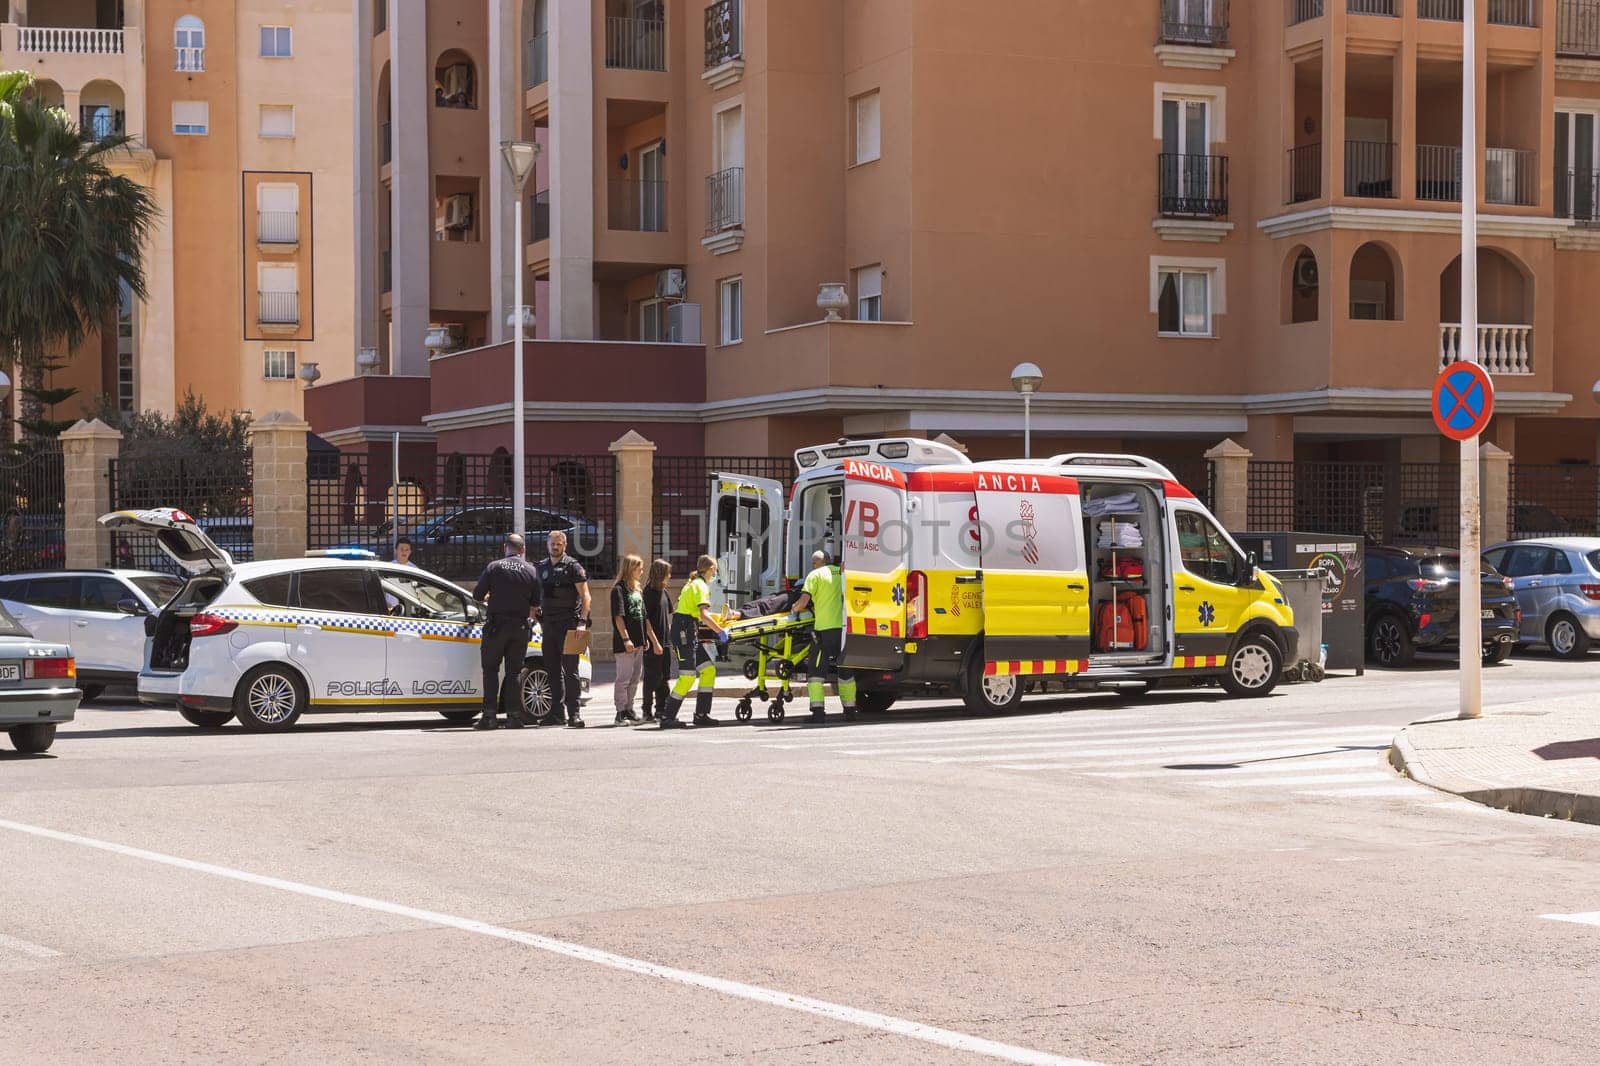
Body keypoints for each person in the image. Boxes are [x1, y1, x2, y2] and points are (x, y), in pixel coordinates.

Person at [470, 533, 542, 731]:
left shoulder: (494, 567)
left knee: (491, 670)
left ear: (505, 548)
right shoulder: (531, 570)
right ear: (523, 550)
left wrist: (491, 597)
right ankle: (514, 716)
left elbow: (477, 595)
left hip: (496, 627)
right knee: (514, 672)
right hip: (519, 628)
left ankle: (489, 716)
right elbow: (536, 603)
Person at [659, 554, 728, 729]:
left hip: (687, 631)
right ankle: (667, 717)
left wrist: (721, 618)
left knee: (708, 670)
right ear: (711, 569)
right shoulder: (700, 586)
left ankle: (702, 714)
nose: (715, 573)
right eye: (715, 570)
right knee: (687, 677)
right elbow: (703, 615)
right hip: (684, 633)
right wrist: (720, 631)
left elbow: (698, 613)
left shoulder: (694, 584)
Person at [792, 550, 856, 725]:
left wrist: (794, 609)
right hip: (844, 630)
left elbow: (803, 602)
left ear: (815, 563)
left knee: (815, 673)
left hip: (824, 631)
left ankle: (818, 712)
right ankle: (850, 710)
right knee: (845, 670)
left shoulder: (814, 575)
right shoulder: (842, 572)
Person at [535, 529, 591, 728]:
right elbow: (535, 597)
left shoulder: (573, 567)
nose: (555, 547)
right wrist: (535, 617)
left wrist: (582, 622)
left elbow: (586, 596)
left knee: (571, 671)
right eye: (552, 543)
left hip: (569, 625)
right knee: (552, 670)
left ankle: (574, 713)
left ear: (564, 545)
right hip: (548, 626)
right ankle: (556, 713)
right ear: (547, 544)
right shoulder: (540, 567)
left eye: (559, 544)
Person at [610, 554, 647, 725]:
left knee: (635, 678)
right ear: (630, 569)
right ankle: (620, 711)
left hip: (639, 640)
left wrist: (644, 638)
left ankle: (629, 708)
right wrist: (626, 639)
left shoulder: (638, 590)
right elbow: (619, 617)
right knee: (623, 678)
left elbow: (643, 616)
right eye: (638, 568)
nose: (641, 571)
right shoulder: (618, 589)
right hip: (625, 642)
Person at [640, 558, 672, 722]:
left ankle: (661, 709)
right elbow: (645, 621)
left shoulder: (664, 592)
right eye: (667, 573)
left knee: (664, 677)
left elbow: (667, 617)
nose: (670, 576)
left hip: (665, 641)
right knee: (652, 677)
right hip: (655, 643)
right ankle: (647, 710)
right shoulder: (648, 594)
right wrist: (655, 642)